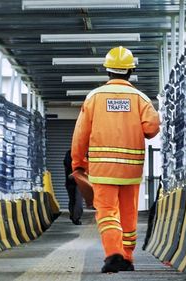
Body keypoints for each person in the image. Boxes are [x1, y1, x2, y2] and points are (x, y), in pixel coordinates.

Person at [71, 46, 160, 273]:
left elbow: (80, 134)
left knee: (107, 212)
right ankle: (128, 257)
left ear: (108, 71)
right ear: (130, 72)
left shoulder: (94, 97)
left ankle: (113, 255)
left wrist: (78, 164)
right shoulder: (141, 99)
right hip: (131, 171)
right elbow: (152, 128)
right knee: (129, 213)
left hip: (102, 170)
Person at [63, 149, 83, 225]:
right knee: (76, 200)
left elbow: (66, 165)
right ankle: (75, 217)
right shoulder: (80, 153)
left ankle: (74, 216)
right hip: (75, 181)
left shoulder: (68, 154)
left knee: (75, 200)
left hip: (72, 181)